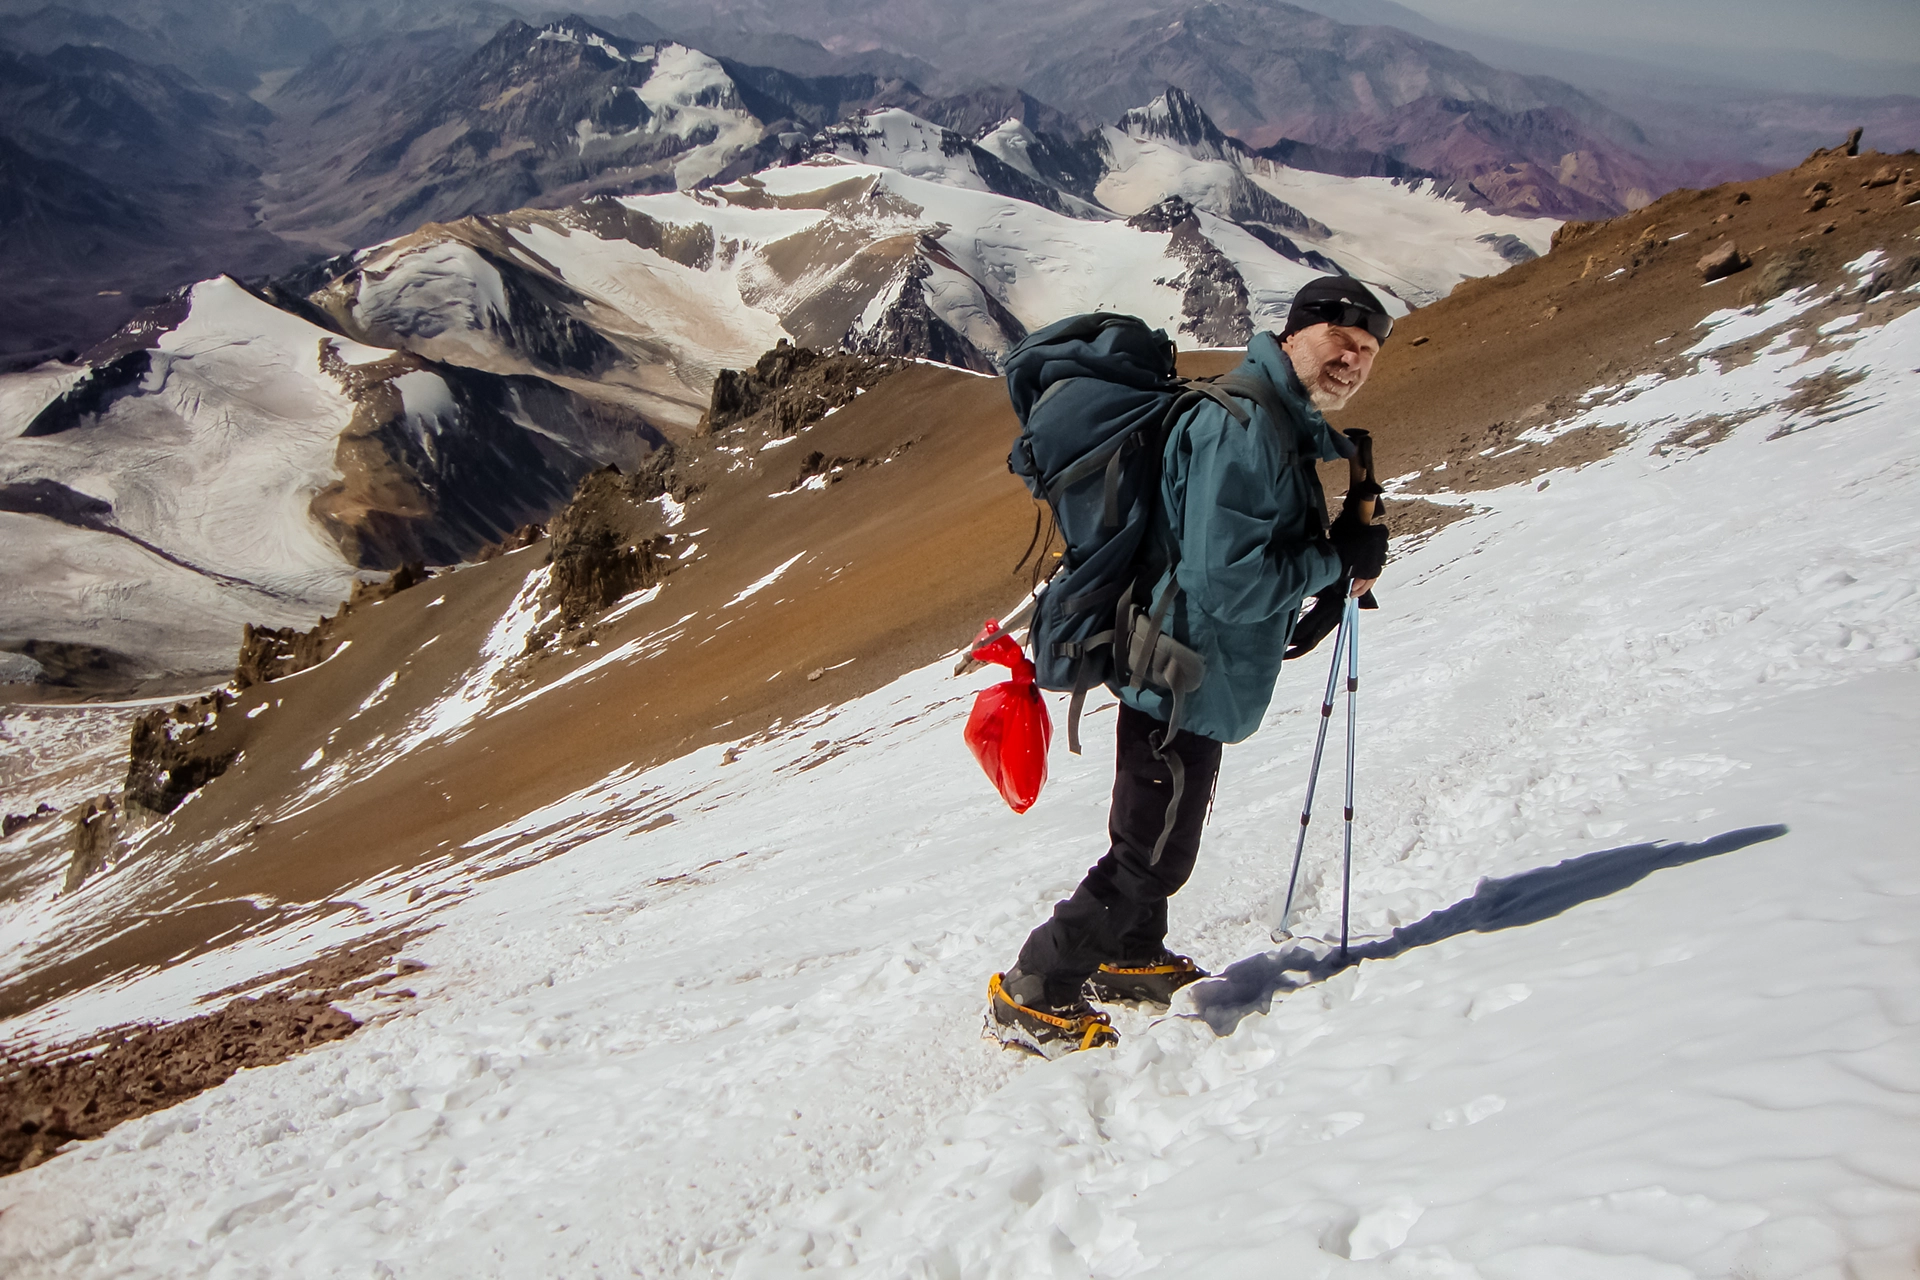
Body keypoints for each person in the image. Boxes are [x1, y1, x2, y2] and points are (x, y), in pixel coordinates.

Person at [989, 276, 1395, 1054]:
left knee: (1156, 829)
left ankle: (1129, 953)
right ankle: (1035, 986)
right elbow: (1229, 580)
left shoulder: (1270, 416)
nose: (1354, 360)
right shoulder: (1247, 428)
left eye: (1369, 351)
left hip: (1183, 666)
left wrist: (1331, 560)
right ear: (1297, 331)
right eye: (1341, 341)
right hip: (1179, 672)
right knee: (1150, 854)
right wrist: (1330, 560)